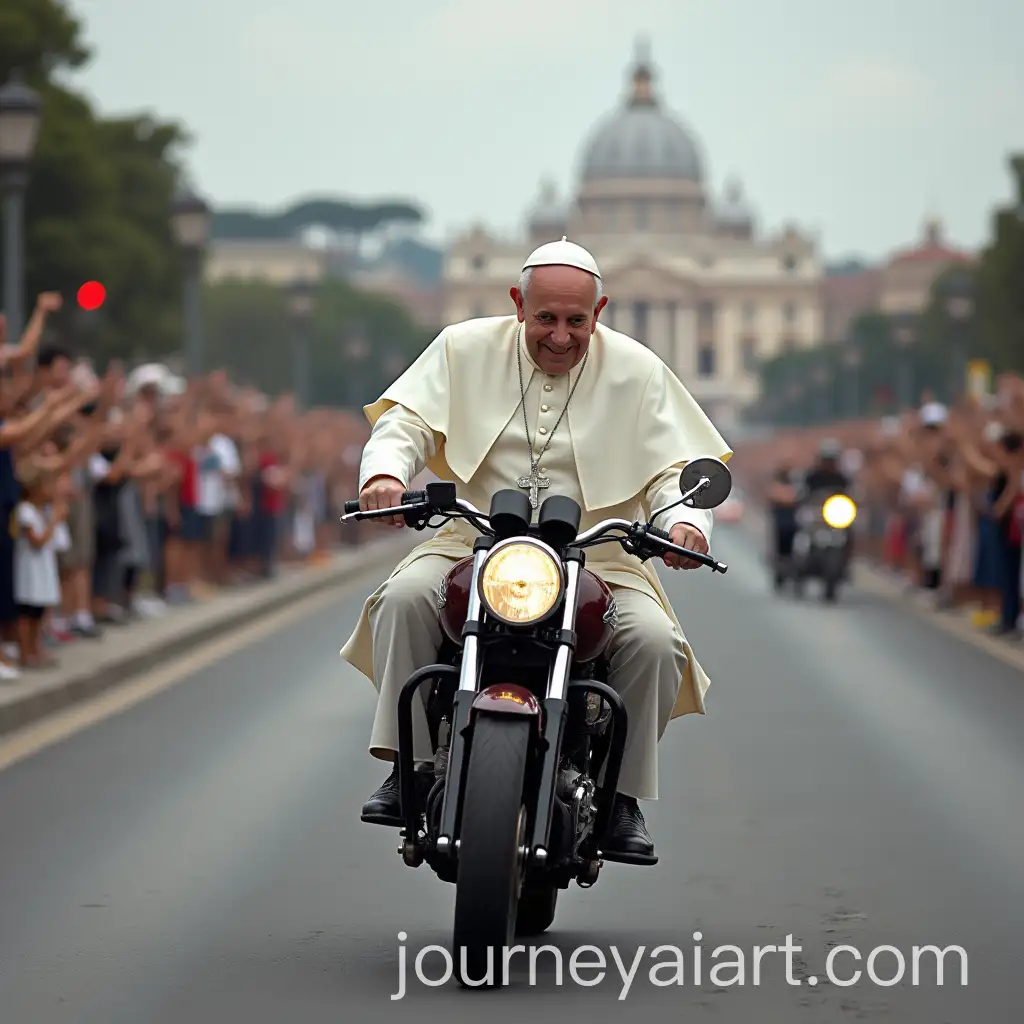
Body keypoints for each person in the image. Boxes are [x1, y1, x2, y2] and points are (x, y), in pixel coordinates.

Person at [340, 237, 732, 860]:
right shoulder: (461, 348)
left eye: (577, 321)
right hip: (470, 541)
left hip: (599, 553)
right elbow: (405, 423)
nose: (560, 336)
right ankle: (409, 765)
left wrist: (687, 525)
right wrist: (385, 474)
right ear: (518, 303)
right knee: (405, 598)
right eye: (545, 318)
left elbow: (674, 470)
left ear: (598, 312)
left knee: (657, 643)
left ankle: (620, 795)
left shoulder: (638, 370)